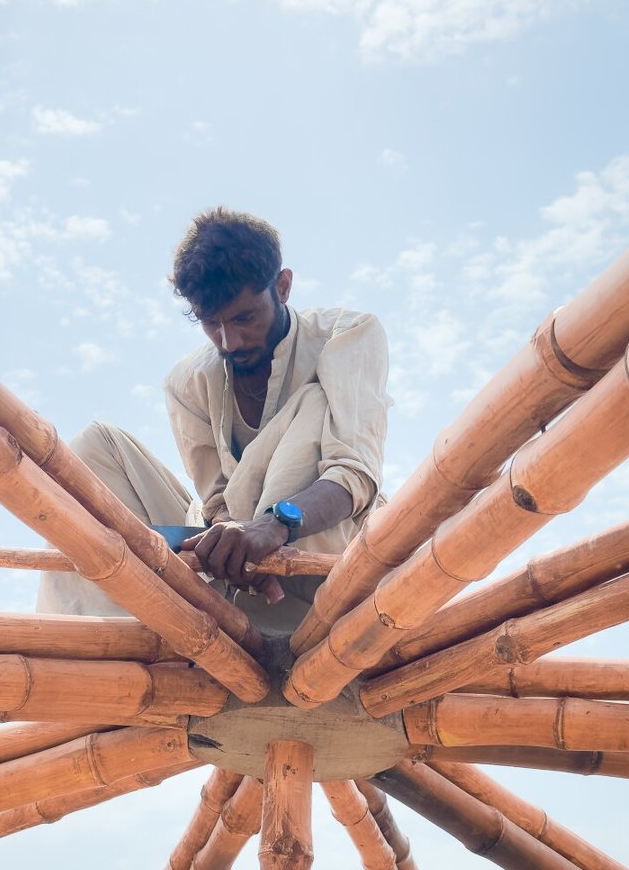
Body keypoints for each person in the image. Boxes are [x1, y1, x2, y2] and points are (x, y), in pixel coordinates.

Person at [37, 207, 391, 632]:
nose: (230, 341)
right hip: (243, 585)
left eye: (245, 318)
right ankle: (107, 642)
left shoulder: (347, 336)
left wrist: (276, 526)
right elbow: (218, 504)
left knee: (313, 401)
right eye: (211, 324)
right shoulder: (188, 382)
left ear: (282, 286)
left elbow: (355, 474)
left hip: (330, 573)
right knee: (94, 449)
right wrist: (226, 541)